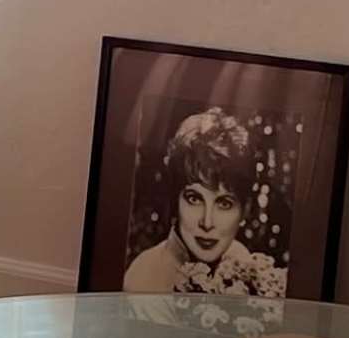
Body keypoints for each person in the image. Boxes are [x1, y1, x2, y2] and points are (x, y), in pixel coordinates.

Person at [122, 108, 288, 297]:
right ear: (175, 201)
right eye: (194, 199)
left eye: (224, 203)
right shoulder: (144, 280)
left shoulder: (242, 261)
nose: (207, 223)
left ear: (245, 210)